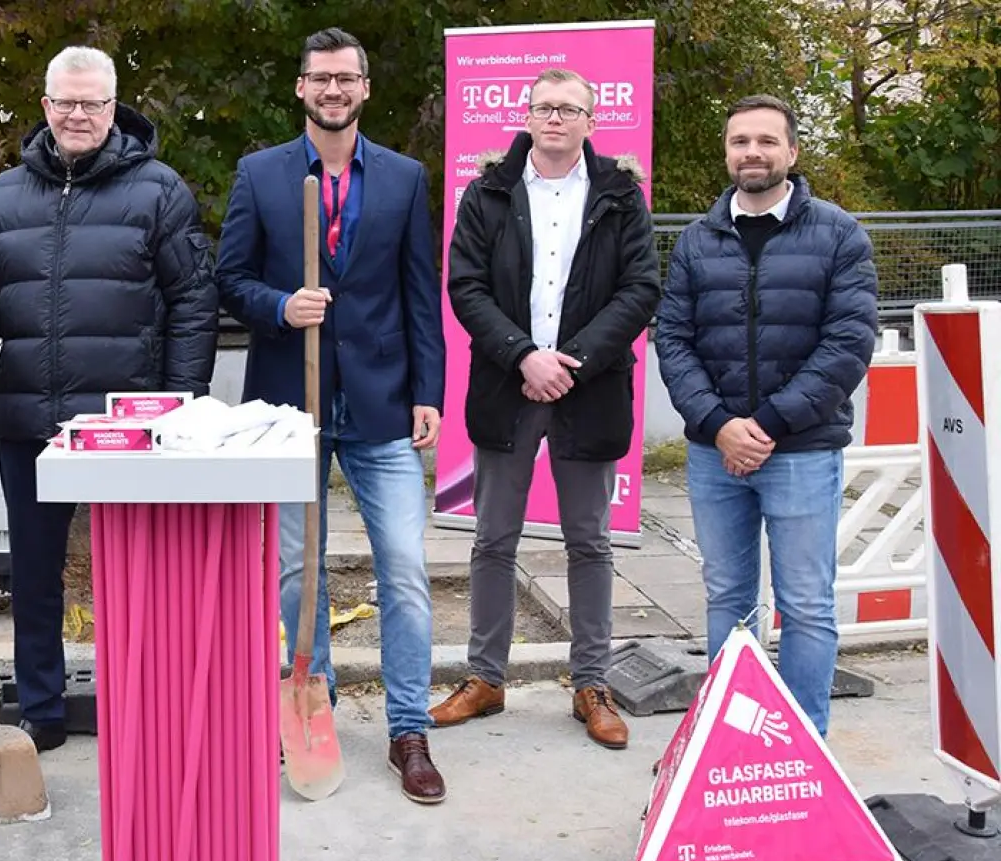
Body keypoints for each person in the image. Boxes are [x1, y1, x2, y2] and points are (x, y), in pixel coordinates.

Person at [0, 46, 218, 753]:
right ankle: (42, 708)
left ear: (113, 106)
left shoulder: (158, 190)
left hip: (125, 426)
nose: (78, 114)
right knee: (33, 574)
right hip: (31, 419)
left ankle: (139, 701)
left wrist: (182, 402)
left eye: (92, 102)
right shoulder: (5, 194)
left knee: (133, 574)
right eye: (65, 101)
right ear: (45, 106)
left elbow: (192, 300)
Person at [216, 27, 447, 804]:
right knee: (293, 570)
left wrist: (429, 391)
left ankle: (409, 730)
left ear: (365, 88)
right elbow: (230, 279)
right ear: (301, 88)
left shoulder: (405, 177)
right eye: (321, 79)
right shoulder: (261, 174)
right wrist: (282, 306)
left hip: (380, 403)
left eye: (346, 78)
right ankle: (310, 699)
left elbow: (422, 292)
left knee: (406, 574)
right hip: (289, 404)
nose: (334, 91)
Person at [433, 68, 661, 750]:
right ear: (527, 116)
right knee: (493, 539)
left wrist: (573, 361)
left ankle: (591, 682)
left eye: (569, 109)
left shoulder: (622, 197)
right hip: (508, 384)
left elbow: (641, 287)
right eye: (543, 106)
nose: (554, 118)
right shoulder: (488, 192)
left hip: (588, 390)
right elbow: (465, 284)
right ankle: (486, 678)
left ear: (592, 121)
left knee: (589, 541)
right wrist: (524, 355)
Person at [656, 94, 877, 739]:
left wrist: (770, 426)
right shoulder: (698, 240)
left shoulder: (839, 233)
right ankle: (732, 739)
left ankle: (804, 746)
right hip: (714, 452)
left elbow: (848, 344)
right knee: (728, 600)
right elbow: (673, 339)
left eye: (765, 141)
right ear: (727, 154)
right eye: (740, 142)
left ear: (792, 152)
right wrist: (718, 423)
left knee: (806, 605)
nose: (752, 152)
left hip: (802, 451)